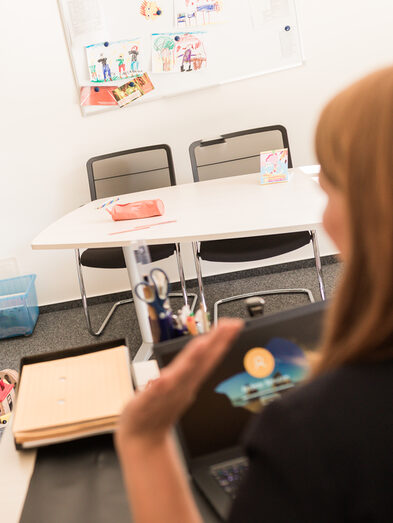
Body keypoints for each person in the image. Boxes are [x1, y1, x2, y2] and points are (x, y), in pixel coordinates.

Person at [115, 65, 393, 522]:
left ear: (373, 208)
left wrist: (143, 442)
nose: (325, 221)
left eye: (331, 191)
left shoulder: (311, 432)